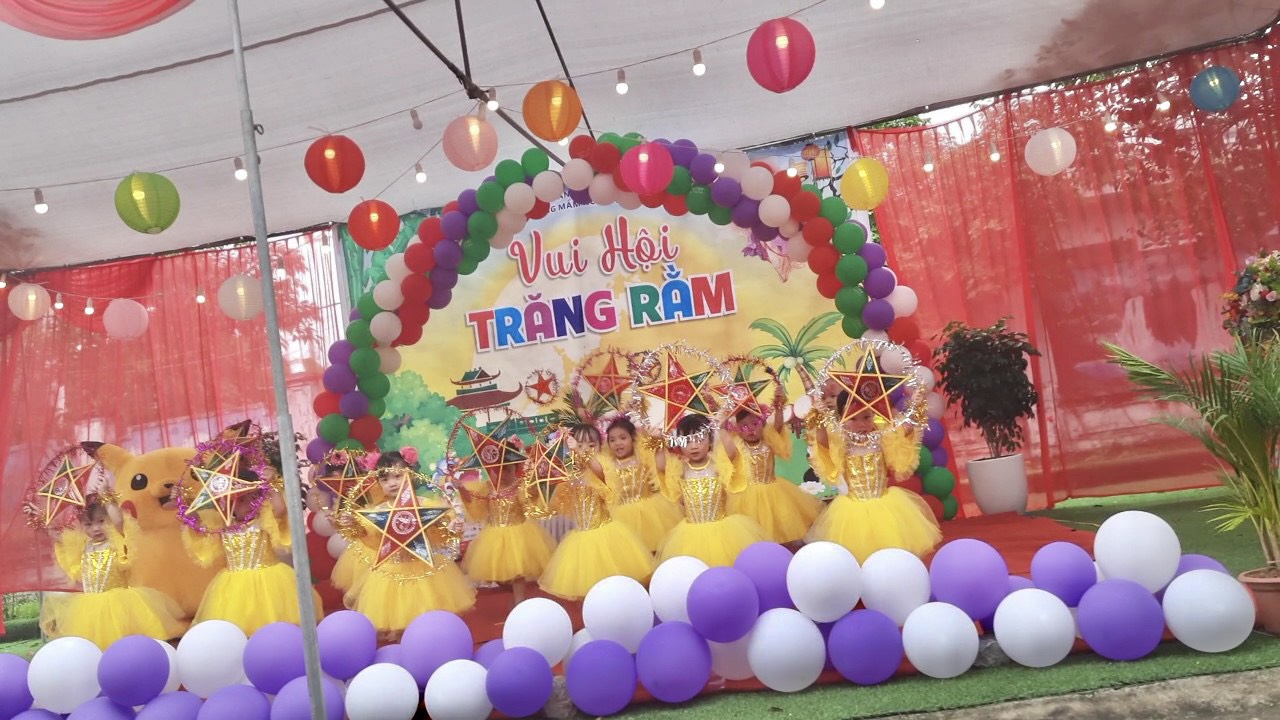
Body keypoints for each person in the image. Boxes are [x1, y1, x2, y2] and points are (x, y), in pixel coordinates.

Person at [341, 450, 475, 639]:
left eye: (397, 476)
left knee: (427, 622)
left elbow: (442, 531)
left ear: (410, 474)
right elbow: (370, 538)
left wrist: (452, 527)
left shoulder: (424, 505)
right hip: (391, 572)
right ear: (378, 483)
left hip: (424, 569)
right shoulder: (378, 512)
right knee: (398, 622)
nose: (392, 483)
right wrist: (353, 526)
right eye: (385, 480)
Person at [806, 391, 942, 562]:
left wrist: (914, 406)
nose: (861, 424)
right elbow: (822, 443)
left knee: (892, 555)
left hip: (885, 507)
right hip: (852, 512)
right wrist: (819, 418)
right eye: (853, 419)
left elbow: (905, 433)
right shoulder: (842, 443)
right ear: (841, 419)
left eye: (866, 417)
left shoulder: (882, 438)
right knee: (858, 557)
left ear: (874, 415)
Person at [39, 494, 186, 649]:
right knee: (94, 647)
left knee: (126, 644)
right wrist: (43, 519)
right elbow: (58, 537)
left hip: (120, 606)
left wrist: (107, 498)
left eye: (101, 521)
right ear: (81, 525)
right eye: (88, 524)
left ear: (108, 519)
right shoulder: (82, 546)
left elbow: (119, 522)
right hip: (90, 609)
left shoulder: (116, 542)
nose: (95, 528)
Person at [184, 472, 323, 636]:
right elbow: (197, 525)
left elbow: (279, 509)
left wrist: (271, 484)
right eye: (240, 500)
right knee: (236, 629)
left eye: (252, 497)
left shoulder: (262, 520)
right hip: (234, 586)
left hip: (270, 581)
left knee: (275, 626)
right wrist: (184, 502)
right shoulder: (222, 525)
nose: (248, 504)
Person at [539, 424, 654, 600]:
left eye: (591, 445)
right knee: (589, 587)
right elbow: (553, 503)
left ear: (601, 447)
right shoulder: (569, 474)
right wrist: (541, 472)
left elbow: (599, 470)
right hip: (580, 540)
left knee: (618, 585)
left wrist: (578, 451)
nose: (585, 449)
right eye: (579, 444)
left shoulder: (603, 466)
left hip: (605, 535)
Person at [654, 414, 767, 567]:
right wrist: (658, 443)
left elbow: (733, 455)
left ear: (710, 440)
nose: (694, 446)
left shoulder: (717, 465)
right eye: (687, 441)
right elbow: (662, 468)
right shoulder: (680, 469)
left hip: (722, 530)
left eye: (700, 439)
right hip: (690, 534)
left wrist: (721, 429)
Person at [458, 438, 556, 607]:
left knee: (518, 572)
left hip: (518, 533)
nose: (503, 474)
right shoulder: (487, 488)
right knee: (498, 576)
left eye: (508, 469)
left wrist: (539, 476)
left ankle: (519, 601)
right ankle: (515, 595)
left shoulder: (520, 486)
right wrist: (461, 489)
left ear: (516, 467)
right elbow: (474, 503)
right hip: (494, 536)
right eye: (498, 470)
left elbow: (533, 496)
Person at [727, 394, 822, 546]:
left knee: (778, 528)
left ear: (763, 424)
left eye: (755, 424)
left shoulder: (768, 440)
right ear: (737, 429)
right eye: (744, 426)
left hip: (773, 491)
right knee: (751, 533)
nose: (750, 430)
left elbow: (777, 427)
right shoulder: (737, 445)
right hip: (746, 496)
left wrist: (778, 408)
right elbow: (724, 436)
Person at [580, 416, 681, 553]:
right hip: (620, 518)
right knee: (629, 553)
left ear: (633, 439)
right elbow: (596, 468)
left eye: (623, 438)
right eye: (612, 440)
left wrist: (658, 442)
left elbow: (661, 466)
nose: (618, 443)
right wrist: (578, 450)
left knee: (655, 550)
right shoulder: (609, 465)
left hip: (650, 514)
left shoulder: (642, 459)